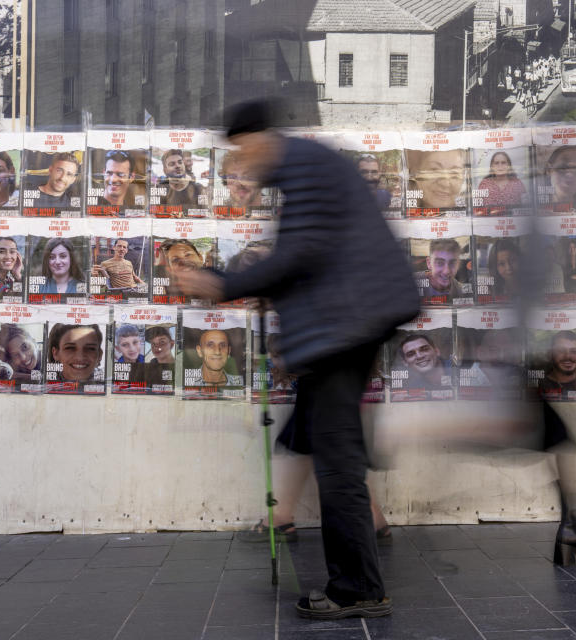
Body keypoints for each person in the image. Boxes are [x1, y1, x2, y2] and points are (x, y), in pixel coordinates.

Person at [174, 99, 420, 620]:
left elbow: (304, 250)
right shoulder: (308, 166)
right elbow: (316, 254)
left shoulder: (305, 165)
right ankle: (351, 564)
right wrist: (272, 290)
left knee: (336, 463)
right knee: (321, 441)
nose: (242, 164)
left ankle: (357, 589)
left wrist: (224, 284)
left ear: (260, 137)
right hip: (348, 323)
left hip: (346, 329)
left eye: (241, 151)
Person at [538, 330, 576, 399]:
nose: (568, 356)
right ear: (550, 354)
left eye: (574, 351)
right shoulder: (540, 385)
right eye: (561, 351)